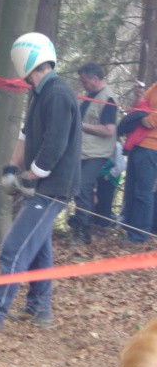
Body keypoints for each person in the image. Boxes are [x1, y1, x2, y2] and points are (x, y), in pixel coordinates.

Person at [0, 32, 81, 335]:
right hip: (45, 186)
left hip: (54, 187)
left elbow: (56, 144)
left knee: (13, 247)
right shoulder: (40, 93)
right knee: (38, 247)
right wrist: (12, 167)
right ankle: (40, 309)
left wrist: (31, 174)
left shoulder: (59, 94)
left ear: (28, 62)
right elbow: (26, 136)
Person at [69, 63, 118, 243]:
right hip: (82, 151)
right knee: (77, 187)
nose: (83, 84)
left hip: (97, 153)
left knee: (83, 186)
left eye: (85, 81)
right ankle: (80, 224)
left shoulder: (108, 98)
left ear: (95, 78)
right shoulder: (88, 96)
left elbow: (109, 130)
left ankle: (83, 231)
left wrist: (83, 126)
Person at [121, 81, 157, 243]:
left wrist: (142, 115)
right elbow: (139, 107)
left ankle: (140, 235)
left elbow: (150, 121)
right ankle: (131, 229)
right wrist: (140, 96)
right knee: (132, 190)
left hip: (151, 147)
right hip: (137, 144)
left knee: (144, 192)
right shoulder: (155, 86)